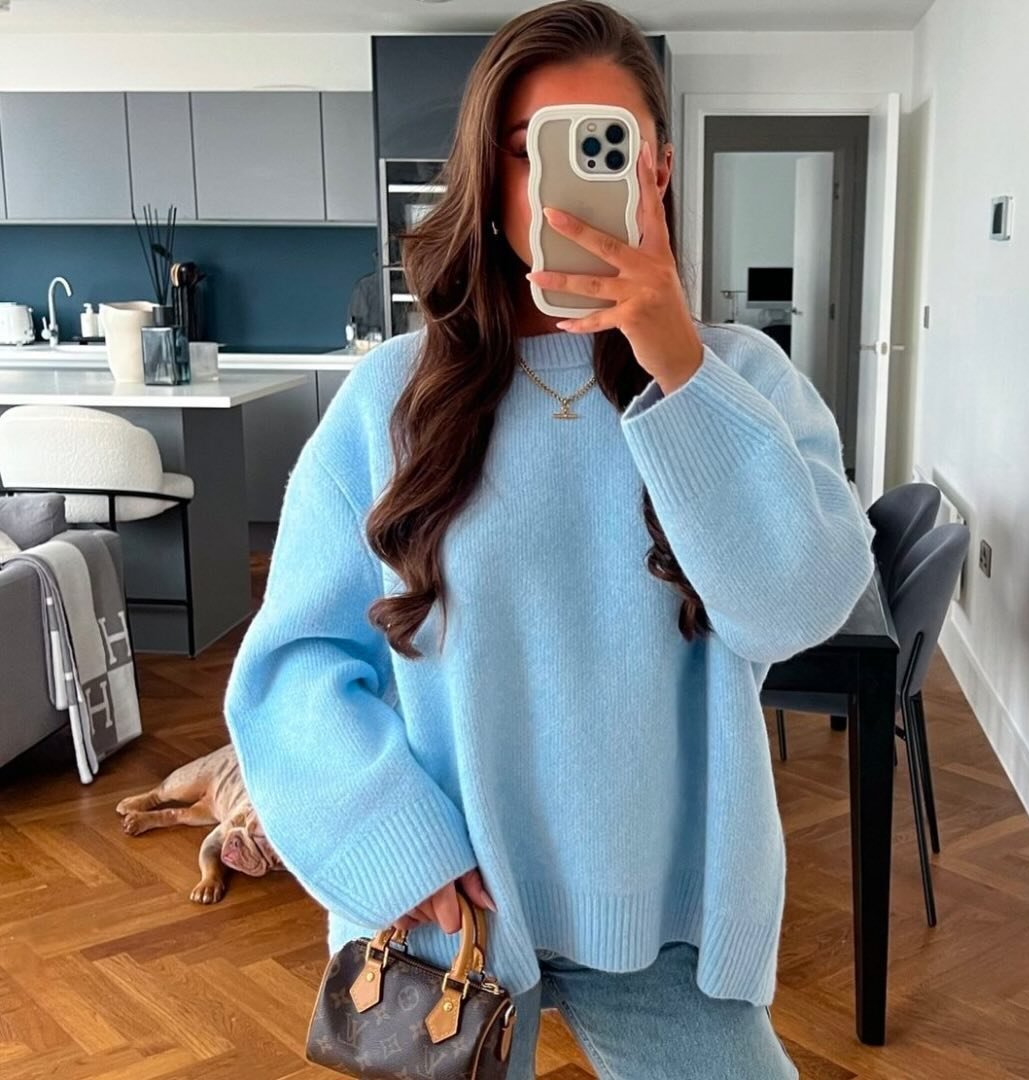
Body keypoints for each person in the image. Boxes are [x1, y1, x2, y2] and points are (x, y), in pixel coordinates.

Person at [223, 2, 876, 1076]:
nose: (564, 187)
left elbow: (793, 609)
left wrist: (676, 363)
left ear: (657, 170)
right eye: (532, 152)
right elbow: (295, 662)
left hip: (673, 918)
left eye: (602, 147)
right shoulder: (391, 398)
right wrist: (390, 841)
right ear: (491, 179)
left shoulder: (742, 380)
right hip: (448, 916)